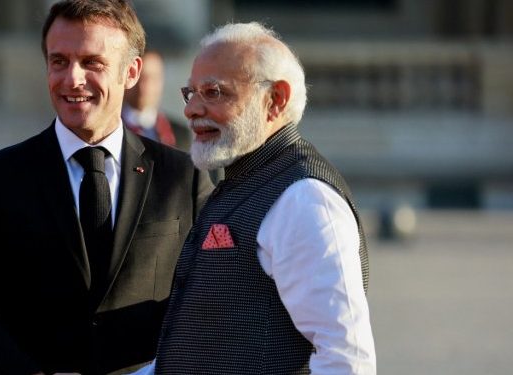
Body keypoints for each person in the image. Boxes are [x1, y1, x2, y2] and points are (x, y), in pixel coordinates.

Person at [0, 1, 213, 374]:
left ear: (131, 72)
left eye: (92, 62)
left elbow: (213, 297)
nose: (72, 79)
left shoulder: (184, 176)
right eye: (59, 61)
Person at [133, 22, 376, 374]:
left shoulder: (304, 199)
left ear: (275, 99)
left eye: (214, 92)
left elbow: (346, 360)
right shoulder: (244, 180)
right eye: (191, 93)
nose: (191, 109)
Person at [122, 50, 191, 151]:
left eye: (153, 78)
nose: (145, 86)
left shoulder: (180, 134)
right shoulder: (108, 129)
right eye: (139, 77)